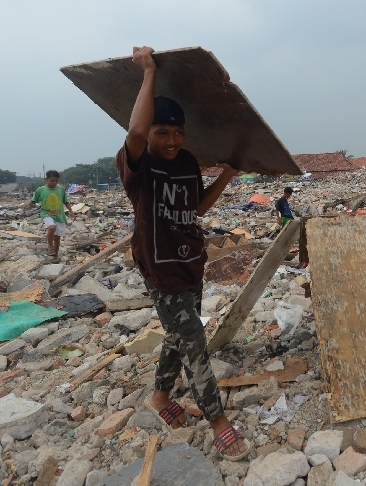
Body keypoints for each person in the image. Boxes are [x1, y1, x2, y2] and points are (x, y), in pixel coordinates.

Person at [115, 46, 249, 461]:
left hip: (191, 260)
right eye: (162, 133)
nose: (171, 140)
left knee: (178, 331)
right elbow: (135, 135)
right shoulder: (136, 165)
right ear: (149, 134)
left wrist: (226, 174)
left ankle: (159, 397)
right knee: (193, 339)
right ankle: (219, 423)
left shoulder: (187, 162)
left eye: (177, 132)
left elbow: (196, 207)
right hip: (158, 264)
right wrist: (148, 72)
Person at [23, 170, 74, 259]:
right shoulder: (41, 190)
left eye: (56, 181)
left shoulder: (61, 189)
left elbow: (66, 201)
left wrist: (71, 212)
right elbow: (33, 200)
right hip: (46, 213)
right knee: (52, 227)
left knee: (57, 237)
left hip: (59, 215)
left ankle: (55, 255)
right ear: (46, 179)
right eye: (52, 181)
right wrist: (28, 205)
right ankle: (50, 246)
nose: (54, 183)